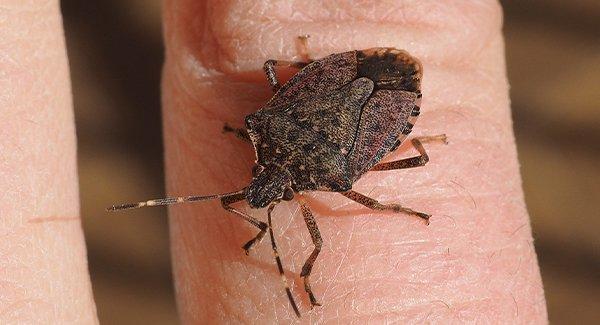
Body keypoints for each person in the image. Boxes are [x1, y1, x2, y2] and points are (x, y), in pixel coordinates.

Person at [0, 0, 548, 323]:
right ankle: (414, 145)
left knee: (367, 183)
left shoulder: (280, 145)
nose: (255, 192)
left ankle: (415, 151)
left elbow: (358, 199)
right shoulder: (269, 134)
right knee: (272, 80)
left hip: (362, 103)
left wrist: (396, 203)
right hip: (364, 99)